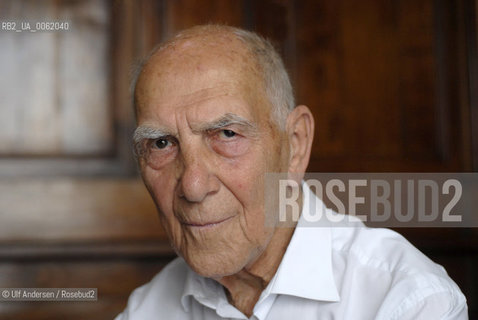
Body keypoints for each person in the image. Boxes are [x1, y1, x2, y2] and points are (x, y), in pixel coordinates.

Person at [115, 25, 468, 320]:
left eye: (227, 135)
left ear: (295, 145)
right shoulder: (147, 309)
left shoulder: (408, 301)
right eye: (161, 144)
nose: (192, 186)